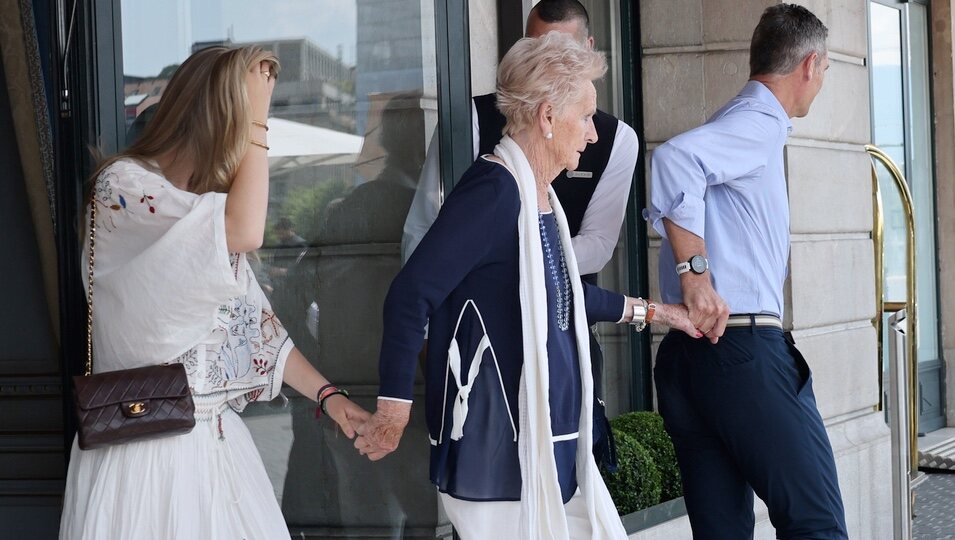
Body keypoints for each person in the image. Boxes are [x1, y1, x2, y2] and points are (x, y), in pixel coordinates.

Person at [355, 32, 697, 539]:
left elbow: (561, 293)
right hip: (498, 445)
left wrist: (659, 313)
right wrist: (392, 406)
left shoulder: (539, 195)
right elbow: (411, 294)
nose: (593, 134)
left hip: (548, 438)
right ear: (547, 116)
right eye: (586, 116)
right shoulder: (494, 191)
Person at [59, 45, 370, 540]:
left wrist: (330, 397)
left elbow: (260, 331)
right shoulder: (122, 190)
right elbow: (248, 231)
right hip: (148, 457)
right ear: (217, 120)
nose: (250, 150)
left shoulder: (203, 217)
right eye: (248, 126)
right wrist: (258, 118)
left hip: (217, 450)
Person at [402, 0, 638, 469]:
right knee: (494, 472)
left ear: (587, 50)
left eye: (564, 51)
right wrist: (430, 337)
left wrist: (524, 255)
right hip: (482, 342)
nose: (551, 64)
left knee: (574, 471)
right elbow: (423, 234)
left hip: (565, 331)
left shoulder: (614, 138)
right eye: (536, 47)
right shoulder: (473, 123)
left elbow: (598, 246)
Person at [646, 5, 848, 539]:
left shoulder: (735, 121)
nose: (822, 81)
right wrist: (695, 275)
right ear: (809, 65)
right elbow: (671, 160)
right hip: (740, 354)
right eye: (826, 70)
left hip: (693, 361)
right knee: (817, 525)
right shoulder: (757, 125)